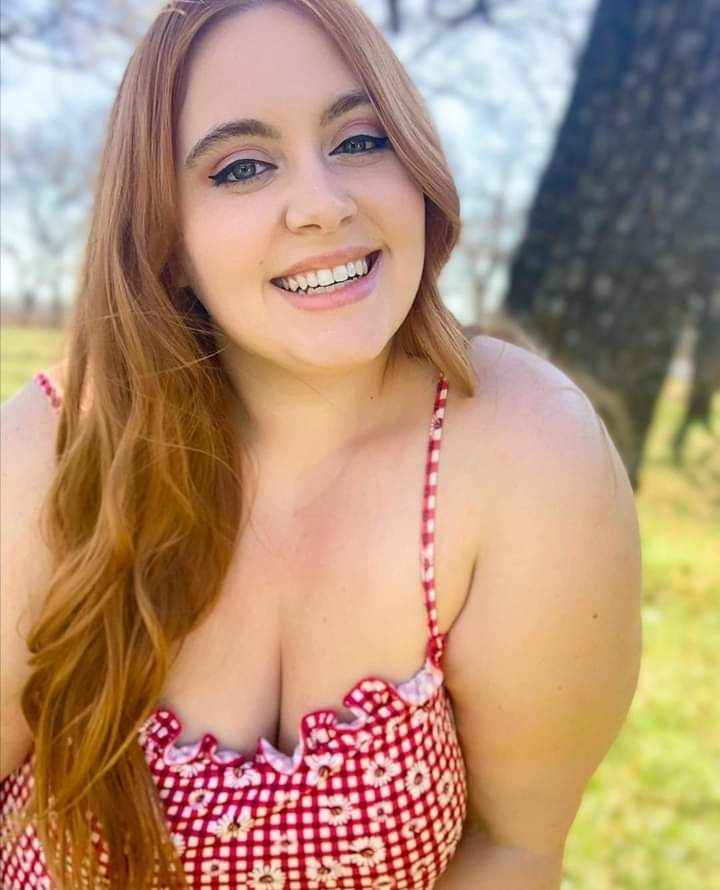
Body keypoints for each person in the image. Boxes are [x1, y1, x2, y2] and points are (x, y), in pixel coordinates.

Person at [0, 1, 642, 888]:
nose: (324, 205)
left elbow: (515, 846)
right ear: (165, 236)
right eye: (242, 166)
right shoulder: (54, 447)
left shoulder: (525, 450)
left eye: (360, 141)